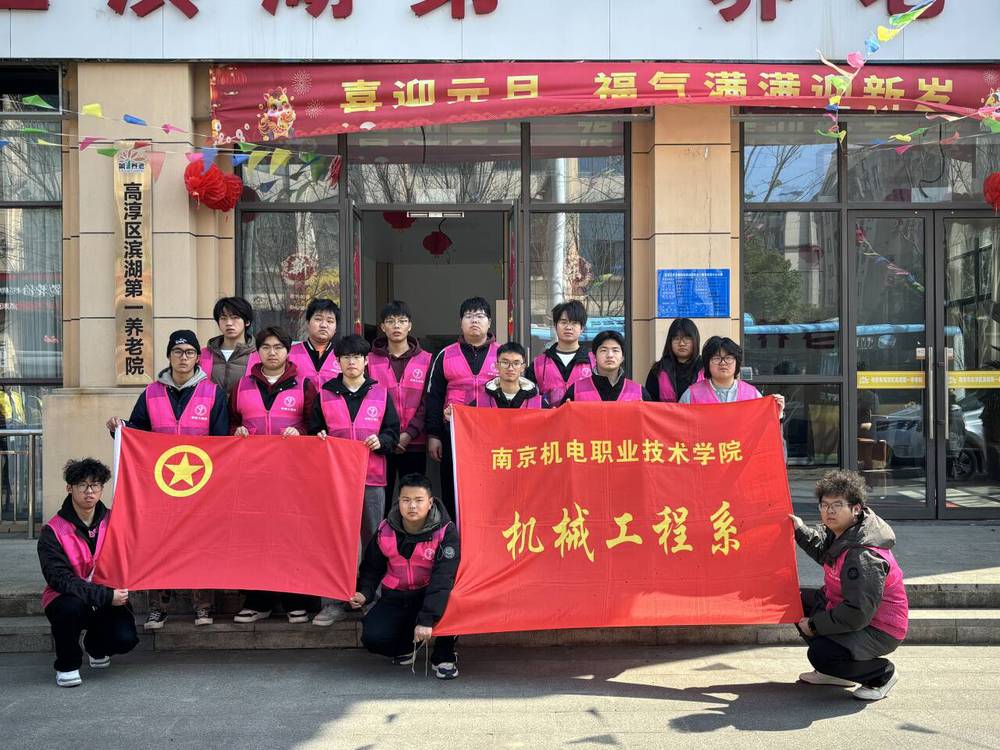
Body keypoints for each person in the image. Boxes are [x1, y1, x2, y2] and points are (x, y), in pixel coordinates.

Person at [105, 329, 228, 629]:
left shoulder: (213, 393)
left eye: (189, 352)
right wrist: (120, 428)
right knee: (157, 544)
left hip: (202, 484)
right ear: (169, 356)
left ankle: (203, 605)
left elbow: (222, 441)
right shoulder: (151, 393)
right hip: (160, 485)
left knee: (200, 543)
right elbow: (138, 433)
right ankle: (158, 607)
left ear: (198, 358)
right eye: (177, 352)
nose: (183, 358)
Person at [790, 469, 909, 701]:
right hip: (846, 608)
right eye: (825, 505)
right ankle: (835, 673)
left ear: (856, 509)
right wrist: (800, 531)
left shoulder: (864, 554)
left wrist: (814, 625)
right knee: (793, 600)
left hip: (879, 628)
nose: (829, 511)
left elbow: (858, 612)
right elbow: (824, 552)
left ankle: (881, 674)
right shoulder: (843, 534)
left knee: (821, 654)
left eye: (837, 505)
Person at [230, 325, 320, 624]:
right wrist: (236, 432)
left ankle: (297, 599)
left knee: (291, 536)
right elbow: (229, 423)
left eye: (278, 347)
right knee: (253, 537)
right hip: (252, 476)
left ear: (288, 351)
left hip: (292, 476)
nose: (272, 352)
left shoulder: (304, 385)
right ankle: (258, 601)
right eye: (266, 347)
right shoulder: (241, 386)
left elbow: (316, 425)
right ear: (257, 351)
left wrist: (301, 432)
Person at [310, 334, 400, 626]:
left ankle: (371, 599)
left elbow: (392, 432)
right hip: (334, 481)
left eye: (357, 357)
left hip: (371, 477)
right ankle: (332, 602)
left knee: (373, 538)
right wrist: (319, 436)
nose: (352, 362)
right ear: (338, 361)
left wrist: (382, 441)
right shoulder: (324, 394)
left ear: (365, 361)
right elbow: (313, 432)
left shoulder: (380, 393)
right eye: (346, 357)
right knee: (334, 540)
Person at [37, 458, 139, 688]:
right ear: (69, 488)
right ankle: (68, 664)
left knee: (126, 639)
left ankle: (94, 645)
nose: (89, 491)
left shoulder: (115, 521)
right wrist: (105, 596)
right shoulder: (53, 530)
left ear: (102, 488)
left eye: (95, 485)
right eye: (82, 485)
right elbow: (58, 579)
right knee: (69, 608)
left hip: (107, 596)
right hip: (68, 598)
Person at [350, 473, 460, 680]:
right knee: (373, 637)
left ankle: (444, 655)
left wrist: (427, 619)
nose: (412, 506)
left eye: (419, 500)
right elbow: (372, 567)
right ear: (398, 502)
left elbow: (443, 579)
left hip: (432, 593)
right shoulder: (385, 529)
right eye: (406, 500)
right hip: (397, 595)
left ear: (430, 503)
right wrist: (364, 592)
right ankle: (408, 647)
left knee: (453, 597)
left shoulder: (446, 531)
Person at [425, 297, 500, 520]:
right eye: (469, 316)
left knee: (490, 488)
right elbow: (433, 397)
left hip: (493, 436)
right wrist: (434, 435)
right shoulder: (446, 354)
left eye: (480, 316)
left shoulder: (503, 355)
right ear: (461, 322)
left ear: (489, 322)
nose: (474, 321)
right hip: (454, 435)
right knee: (453, 485)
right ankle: (453, 533)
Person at [366, 301, 431, 506]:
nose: (396, 326)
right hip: (380, 442)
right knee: (380, 502)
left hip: (415, 442)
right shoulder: (369, 360)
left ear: (410, 326)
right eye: (390, 321)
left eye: (402, 321)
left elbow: (427, 402)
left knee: (413, 501)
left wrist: (408, 434)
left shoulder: (427, 360)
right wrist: (389, 437)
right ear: (382, 327)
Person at [679, 336, 785, 416]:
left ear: (736, 362)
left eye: (728, 358)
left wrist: (777, 413)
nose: (723, 363)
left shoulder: (752, 395)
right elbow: (679, 425)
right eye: (716, 358)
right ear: (707, 363)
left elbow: (764, 426)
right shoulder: (692, 395)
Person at [527, 300, 595, 407]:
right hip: (550, 417)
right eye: (563, 322)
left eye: (574, 323)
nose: (568, 327)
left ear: (582, 328)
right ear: (555, 325)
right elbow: (529, 400)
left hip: (584, 417)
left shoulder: (593, 362)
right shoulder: (538, 364)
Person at [559, 330, 652, 403]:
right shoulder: (576, 391)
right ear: (594, 357)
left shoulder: (639, 393)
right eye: (604, 350)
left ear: (622, 357)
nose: (610, 355)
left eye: (615, 350)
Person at [199, 296, 260, 394]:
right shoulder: (202, 355)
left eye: (235, 317)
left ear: (247, 322)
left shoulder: (259, 355)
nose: (229, 323)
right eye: (223, 318)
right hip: (210, 404)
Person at [646, 318, 704, 403]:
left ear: (695, 340)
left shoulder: (706, 369)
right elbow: (649, 404)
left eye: (687, 338)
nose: (681, 343)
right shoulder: (658, 370)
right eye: (676, 338)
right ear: (670, 342)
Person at [288, 297, 342, 387]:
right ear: (307, 323)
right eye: (318, 319)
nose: (323, 325)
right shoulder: (290, 354)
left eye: (330, 321)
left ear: (335, 328)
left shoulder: (343, 355)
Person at [480, 341, 543, 409]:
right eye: (505, 363)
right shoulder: (480, 402)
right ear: (497, 366)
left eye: (516, 363)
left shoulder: (539, 403)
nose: (510, 368)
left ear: (523, 367)